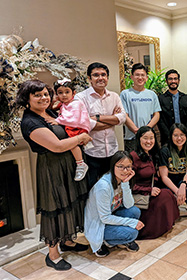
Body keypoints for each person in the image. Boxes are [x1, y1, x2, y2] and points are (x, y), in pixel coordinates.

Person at [16, 80, 92, 271]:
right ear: (27, 99)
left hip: (66, 165)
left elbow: (66, 129)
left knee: (70, 202)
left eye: (45, 94)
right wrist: (81, 138)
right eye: (37, 95)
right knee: (55, 207)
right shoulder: (30, 122)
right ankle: (53, 255)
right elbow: (57, 146)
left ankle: (67, 241)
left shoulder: (49, 112)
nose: (44, 98)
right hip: (51, 168)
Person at [75, 62, 126, 189]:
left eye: (103, 75)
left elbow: (122, 118)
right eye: (96, 75)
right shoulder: (81, 98)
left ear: (107, 77)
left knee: (112, 187)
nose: (100, 78)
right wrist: (111, 120)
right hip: (92, 153)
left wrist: (97, 118)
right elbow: (85, 123)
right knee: (93, 188)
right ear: (89, 78)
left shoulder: (114, 96)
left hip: (112, 151)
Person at [84, 151, 144, 257]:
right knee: (132, 233)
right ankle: (104, 241)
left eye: (128, 167)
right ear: (113, 166)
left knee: (134, 211)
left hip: (111, 216)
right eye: (120, 166)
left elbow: (129, 205)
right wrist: (131, 222)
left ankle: (115, 238)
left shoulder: (121, 180)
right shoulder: (103, 186)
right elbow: (105, 218)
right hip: (99, 224)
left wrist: (125, 184)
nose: (125, 171)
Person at [131, 126, 180, 239]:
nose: (149, 141)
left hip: (151, 192)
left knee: (167, 194)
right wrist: (149, 190)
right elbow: (129, 185)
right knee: (165, 195)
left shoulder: (151, 155)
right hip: (140, 195)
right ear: (139, 139)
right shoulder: (133, 157)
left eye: (151, 138)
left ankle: (165, 225)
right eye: (145, 138)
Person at [159, 123, 187, 223]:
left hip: (181, 181)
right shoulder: (165, 151)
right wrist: (177, 192)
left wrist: (183, 185)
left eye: (182, 135)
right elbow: (164, 177)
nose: (179, 138)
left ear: (186, 136)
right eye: (175, 135)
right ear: (171, 137)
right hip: (167, 183)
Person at [50, 78, 90, 181]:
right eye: (60, 93)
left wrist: (58, 121)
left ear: (74, 93)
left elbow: (73, 118)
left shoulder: (75, 103)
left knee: (72, 144)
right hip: (72, 126)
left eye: (67, 92)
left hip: (77, 127)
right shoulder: (65, 103)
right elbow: (54, 108)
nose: (64, 95)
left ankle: (81, 163)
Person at [120, 63, 161, 152]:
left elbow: (156, 114)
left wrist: (146, 130)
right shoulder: (125, 94)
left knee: (150, 163)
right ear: (132, 77)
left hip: (149, 138)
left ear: (146, 78)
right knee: (132, 163)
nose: (140, 77)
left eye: (143, 75)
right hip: (132, 138)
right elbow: (124, 115)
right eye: (137, 75)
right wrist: (136, 130)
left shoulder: (152, 94)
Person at [158, 69, 187, 146]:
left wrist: (184, 133)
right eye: (170, 79)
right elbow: (160, 120)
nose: (173, 81)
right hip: (167, 138)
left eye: (175, 79)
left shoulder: (186, 98)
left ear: (179, 81)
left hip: (184, 138)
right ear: (166, 81)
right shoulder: (161, 99)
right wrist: (169, 135)